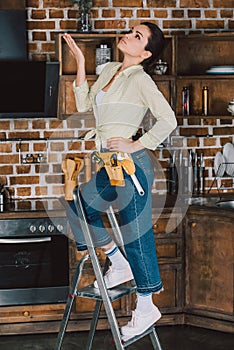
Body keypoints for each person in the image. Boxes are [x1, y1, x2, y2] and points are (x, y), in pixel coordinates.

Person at [63, 22, 177, 341]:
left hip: (131, 165)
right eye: (130, 31)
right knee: (78, 203)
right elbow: (85, 105)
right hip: (108, 162)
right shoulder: (111, 67)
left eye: (137, 36)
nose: (128, 36)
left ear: (146, 53)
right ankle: (117, 261)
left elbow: (169, 119)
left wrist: (134, 143)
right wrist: (82, 64)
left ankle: (146, 307)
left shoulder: (141, 80)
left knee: (136, 234)